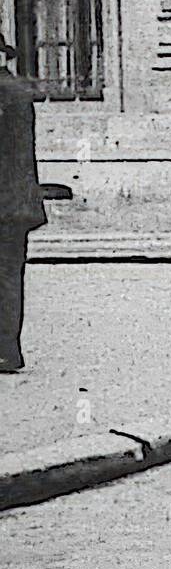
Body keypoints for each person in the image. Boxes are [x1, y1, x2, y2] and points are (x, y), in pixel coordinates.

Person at [0, 37, 46, 372]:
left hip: (6, 203)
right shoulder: (17, 91)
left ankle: (5, 352)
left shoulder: (7, 94)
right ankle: (7, 350)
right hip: (15, 203)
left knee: (5, 278)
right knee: (9, 277)